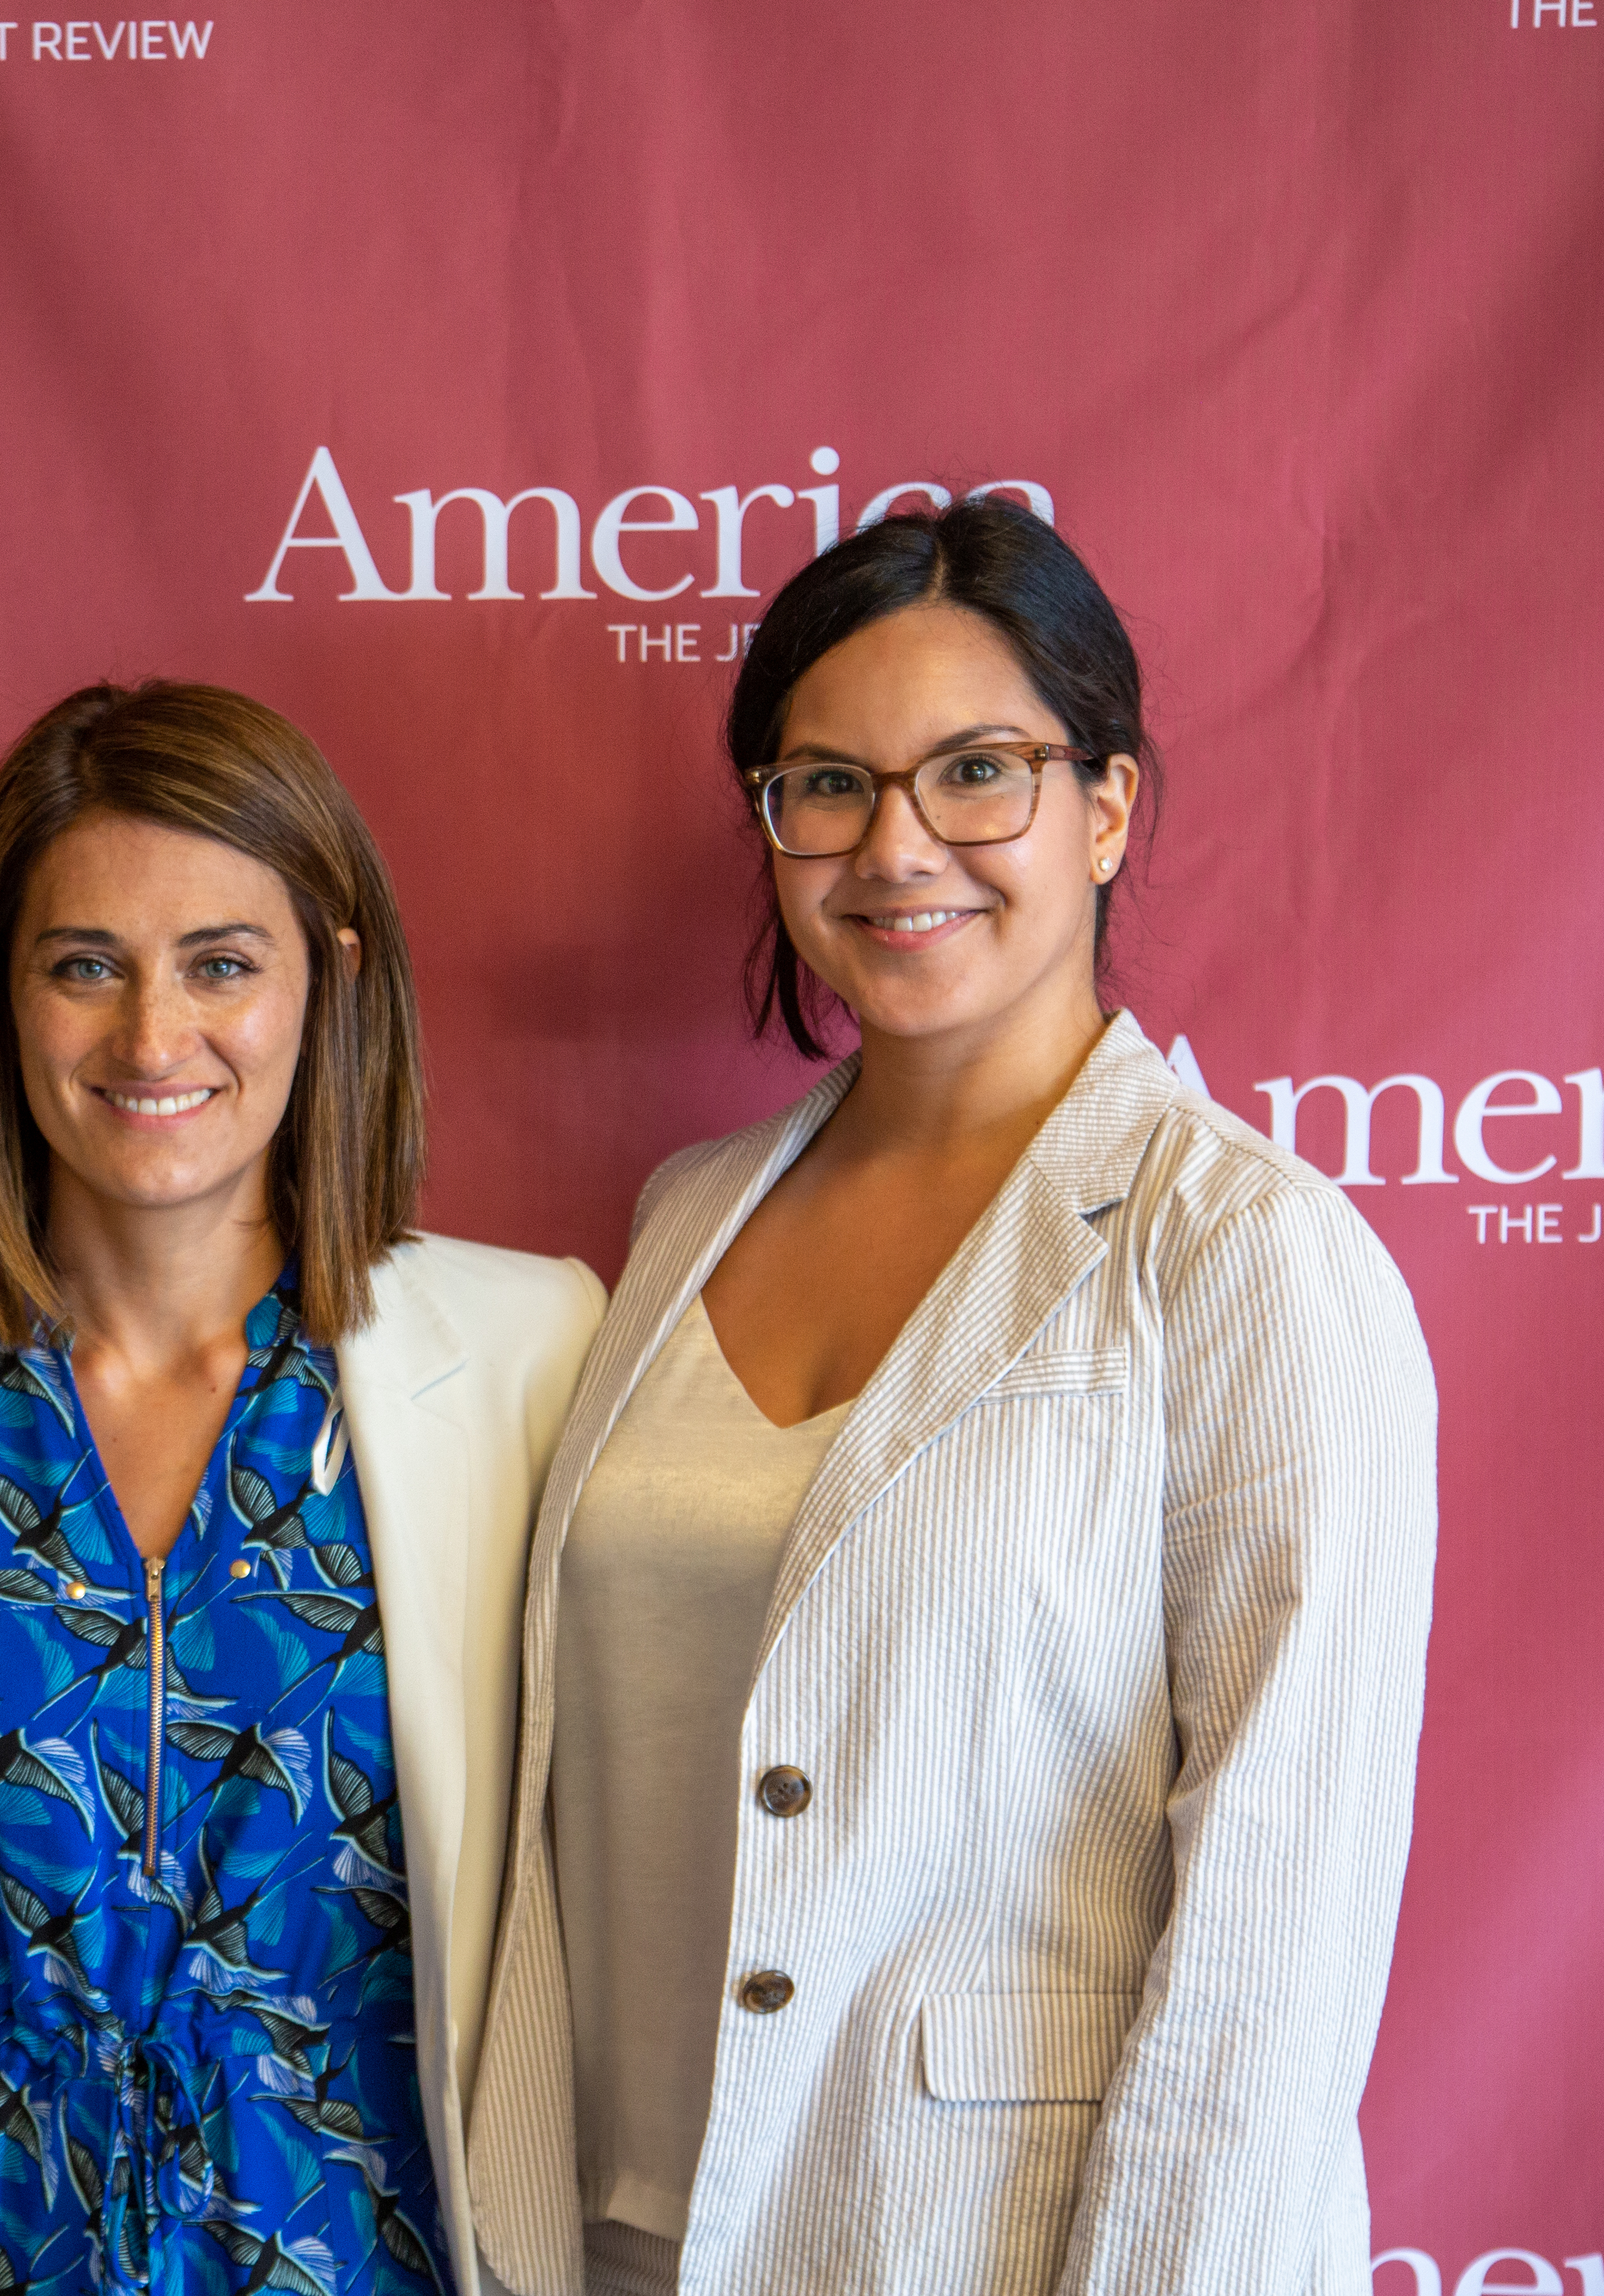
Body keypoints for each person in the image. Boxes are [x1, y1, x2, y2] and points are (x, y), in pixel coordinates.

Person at [467, 502, 1440, 2296]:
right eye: (826, 783)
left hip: (970, 2248)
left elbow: (1276, 1938)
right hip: (617, 2235)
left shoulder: (1243, 1254)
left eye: (979, 771)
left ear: (1110, 806)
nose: (896, 843)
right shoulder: (691, 1213)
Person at [0, 683, 605, 2296]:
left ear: (326, 980)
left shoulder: (534, 1358)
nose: (151, 1037)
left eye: (221, 963)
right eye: (84, 967)